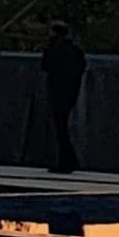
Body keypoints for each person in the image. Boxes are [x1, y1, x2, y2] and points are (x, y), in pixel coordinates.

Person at [39, 22, 87, 174]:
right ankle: (68, 159)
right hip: (70, 91)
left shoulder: (55, 50)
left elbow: (46, 66)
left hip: (58, 91)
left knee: (61, 128)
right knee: (62, 127)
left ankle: (67, 161)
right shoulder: (76, 51)